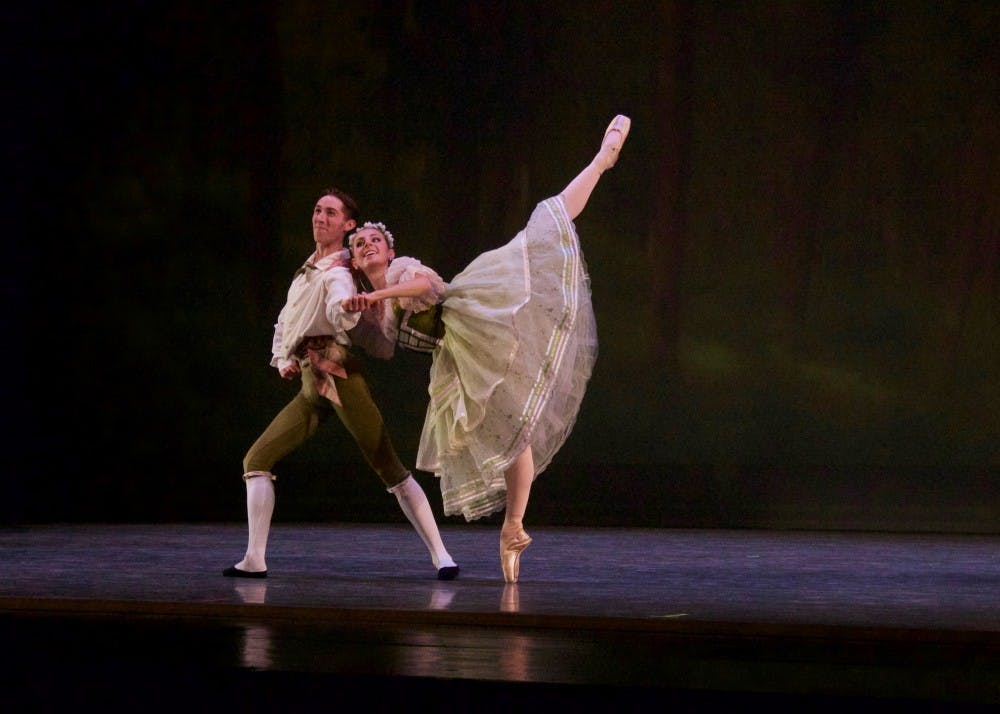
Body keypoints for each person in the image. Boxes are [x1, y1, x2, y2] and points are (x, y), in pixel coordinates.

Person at [337, 115, 630, 582]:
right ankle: (513, 528)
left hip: (474, 315)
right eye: (359, 243)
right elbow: (374, 341)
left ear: (389, 252)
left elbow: (427, 288)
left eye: (375, 240)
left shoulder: (397, 274)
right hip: (453, 357)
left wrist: (375, 294)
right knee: (512, 430)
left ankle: (599, 162)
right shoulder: (367, 306)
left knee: (541, 224)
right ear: (354, 260)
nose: (369, 244)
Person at [223, 187, 459, 581]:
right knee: (255, 461)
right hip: (310, 381)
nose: (321, 217)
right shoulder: (306, 272)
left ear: (346, 224)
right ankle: (254, 559)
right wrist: (283, 358)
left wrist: (346, 310)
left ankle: (442, 555)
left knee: (387, 464)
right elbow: (287, 319)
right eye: (317, 210)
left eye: (331, 213)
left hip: (334, 370)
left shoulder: (339, 272)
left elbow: (339, 302)